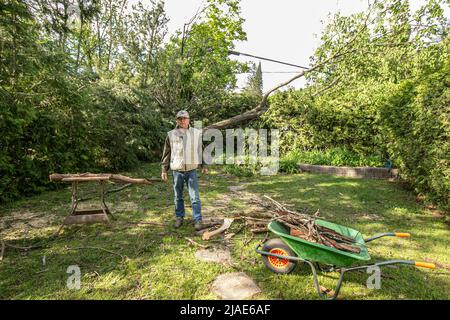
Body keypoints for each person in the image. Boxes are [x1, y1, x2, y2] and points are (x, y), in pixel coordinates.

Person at [161, 110, 208, 230]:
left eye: (184, 118)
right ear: (177, 120)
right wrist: (164, 170)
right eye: (180, 118)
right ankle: (179, 217)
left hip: (191, 170)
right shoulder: (171, 134)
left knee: (195, 197)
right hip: (177, 170)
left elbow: (200, 151)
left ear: (189, 120)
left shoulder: (196, 133)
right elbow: (167, 153)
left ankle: (197, 220)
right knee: (178, 196)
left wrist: (204, 165)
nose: (182, 120)